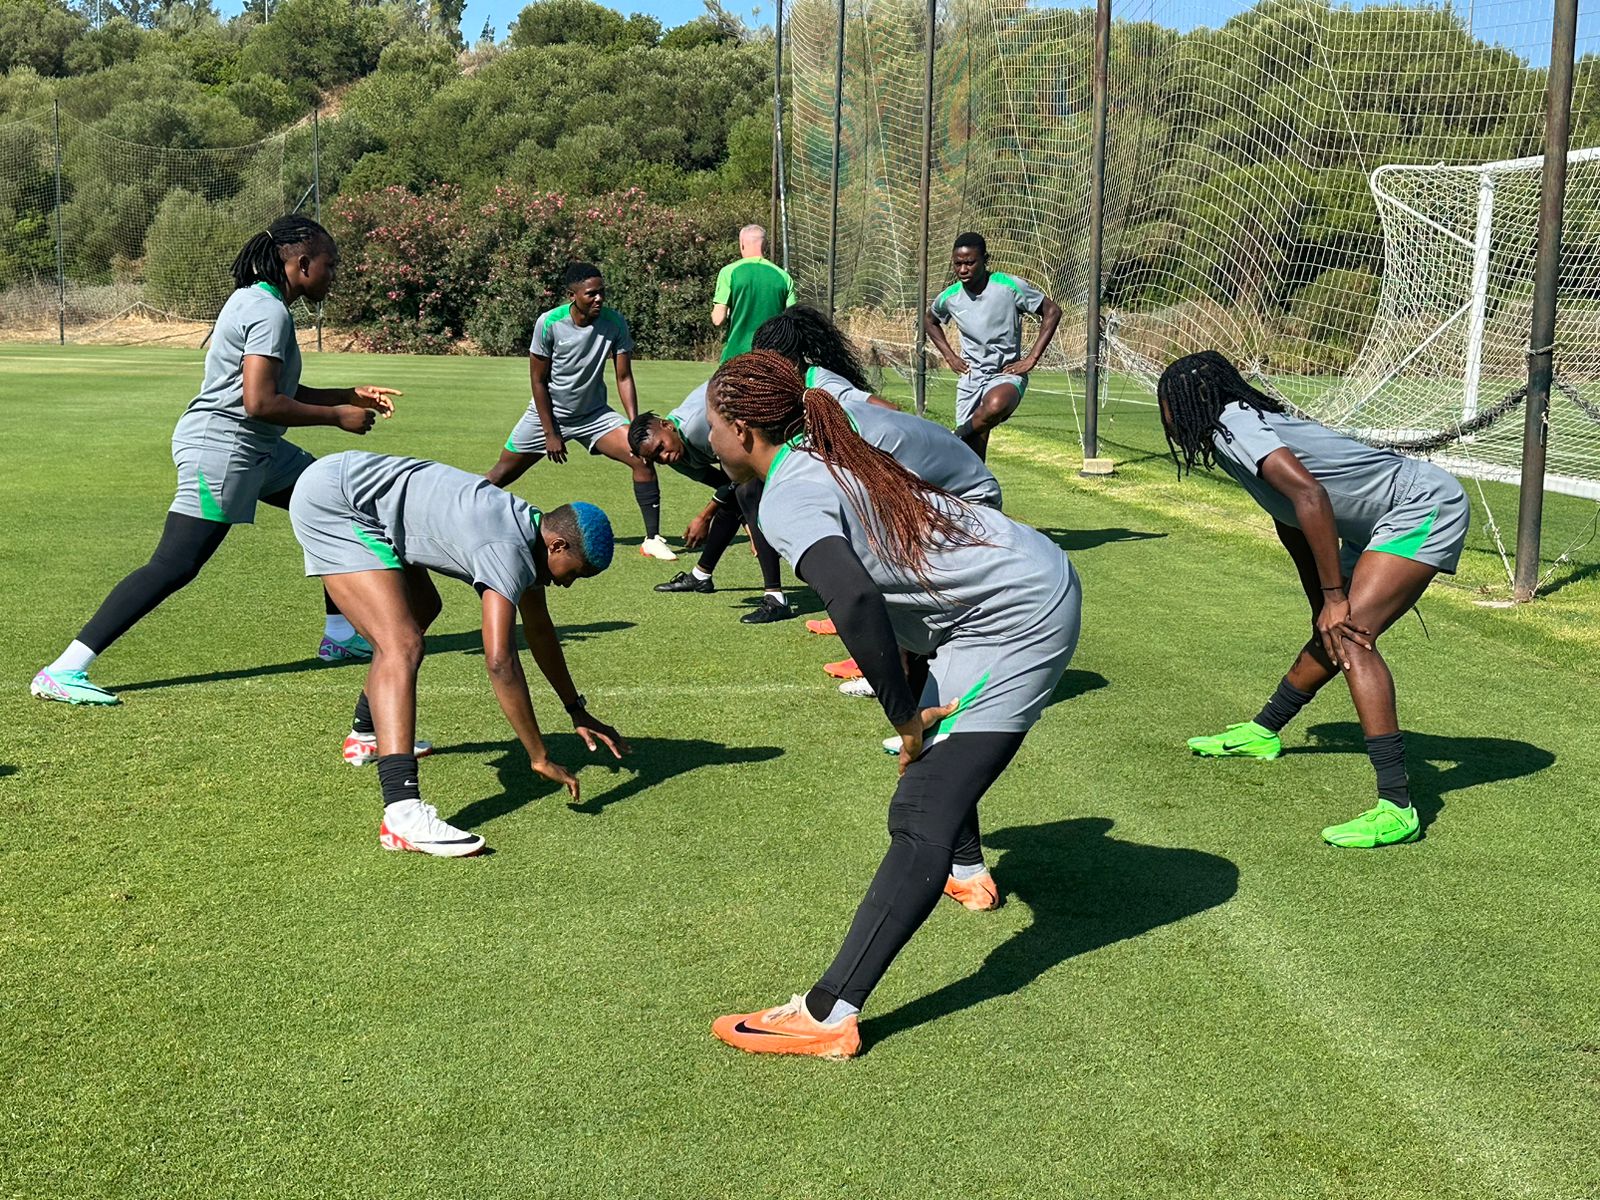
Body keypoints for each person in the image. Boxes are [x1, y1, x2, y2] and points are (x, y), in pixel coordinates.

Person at [704, 351, 1082, 1058]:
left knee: (917, 815)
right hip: (998, 598)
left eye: (713, 424)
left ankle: (827, 1015)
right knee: (924, 783)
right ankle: (967, 874)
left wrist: (903, 713)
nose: (708, 436)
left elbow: (854, 597)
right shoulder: (816, 458)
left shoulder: (787, 493)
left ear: (743, 431)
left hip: (1019, 612)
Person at [30, 214, 399, 707]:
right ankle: (64, 668)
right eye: (330, 265)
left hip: (259, 449)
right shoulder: (269, 313)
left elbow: (278, 389)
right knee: (176, 563)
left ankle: (339, 635)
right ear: (303, 263)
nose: (334, 275)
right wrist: (336, 415)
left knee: (334, 504)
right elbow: (259, 402)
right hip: (224, 449)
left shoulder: (259, 302)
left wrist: (349, 393)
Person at [1157, 350, 1470, 849]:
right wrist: (1319, 600)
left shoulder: (1233, 423)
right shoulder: (1229, 437)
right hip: (1377, 522)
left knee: (1352, 637)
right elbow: (1292, 520)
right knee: (1333, 627)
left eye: (1166, 403)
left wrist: (1335, 599)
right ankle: (1263, 733)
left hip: (1422, 506)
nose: (1166, 417)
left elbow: (1310, 497)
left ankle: (1398, 807)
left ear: (1190, 400)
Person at [289, 450, 628, 857]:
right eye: (574, 572)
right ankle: (402, 814)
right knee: (401, 643)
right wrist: (539, 756)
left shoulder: (531, 532)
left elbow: (539, 629)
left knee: (422, 610)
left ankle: (366, 734)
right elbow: (500, 660)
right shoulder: (507, 547)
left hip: (361, 495)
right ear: (557, 545)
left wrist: (576, 709)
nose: (570, 584)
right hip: (336, 502)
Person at [752, 306, 1001, 690]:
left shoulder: (822, 387)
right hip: (950, 488)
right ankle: (890, 654)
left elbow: (886, 411)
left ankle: (886, 665)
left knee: (884, 555)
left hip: (965, 497)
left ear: (783, 358)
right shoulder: (807, 388)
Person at [486, 262, 676, 561]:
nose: (599, 299)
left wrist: (635, 424)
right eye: (591, 294)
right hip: (548, 413)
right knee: (501, 474)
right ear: (571, 295)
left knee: (642, 457)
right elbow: (538, 380)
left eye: (602, 293)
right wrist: (550, 433)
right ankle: (459, 514)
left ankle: (652, 539)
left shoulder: (615, 323)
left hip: (595, 414)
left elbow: (624, 377)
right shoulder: (549, 323)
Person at [627, 386, 795, 623]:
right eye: (656, 457)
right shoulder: (676, 455)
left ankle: (776, 598)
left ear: (667, 425)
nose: (664, 457)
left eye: (661, 448)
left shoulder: (697, 428)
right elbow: (724, 483)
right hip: (744, 441)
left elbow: (741, 473)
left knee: (748, 493)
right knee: (737, 498)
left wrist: (705, 516)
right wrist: (744, 523)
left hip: (771, 418)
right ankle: (701, 575)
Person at [923, 232, 1062, 461]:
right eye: (958, 264)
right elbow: (930, 321)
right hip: (972, 377)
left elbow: (1052, 311)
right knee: (970, 460)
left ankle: (953, 437)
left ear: (985, 259)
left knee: (995, 405)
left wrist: (1031, 359)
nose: (963, 269)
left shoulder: (1007, 285)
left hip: (1004, 375)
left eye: (970, 262)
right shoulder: (950, 297)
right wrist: (950, 356)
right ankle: (974, 492)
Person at [711, 224, 796, 362]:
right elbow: (792, 320)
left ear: (742, 244)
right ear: (765, 245)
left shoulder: (729, 272)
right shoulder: (784, 277)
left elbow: (717, 319)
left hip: (736, 356)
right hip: (772, 359)